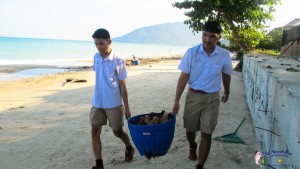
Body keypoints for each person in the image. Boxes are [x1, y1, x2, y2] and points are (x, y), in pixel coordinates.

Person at [172, 21, 233, 169]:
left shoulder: (224, 55)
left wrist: (227, 91)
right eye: (205, 35)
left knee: (207, 134)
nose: (207, 39)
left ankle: (200, 166)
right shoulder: (191, 52)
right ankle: (192, 145)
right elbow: (183, 77)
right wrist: (176, 101)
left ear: (219, 37)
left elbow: (226, 75)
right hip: (193, 96)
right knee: (190, 130)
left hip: (212, 99)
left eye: (212, 36)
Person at [90, 28, 134, 169]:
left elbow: (122, 85)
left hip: (114, 103)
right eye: (96, 44)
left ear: (109, 41)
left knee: (117, 131)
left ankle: (128, 147)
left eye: (101, 43)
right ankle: (99, 164)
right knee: (95, 130)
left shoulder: (118, 60)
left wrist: (126, 107)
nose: (99, 47)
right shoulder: (96, 57)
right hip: (97, 102)